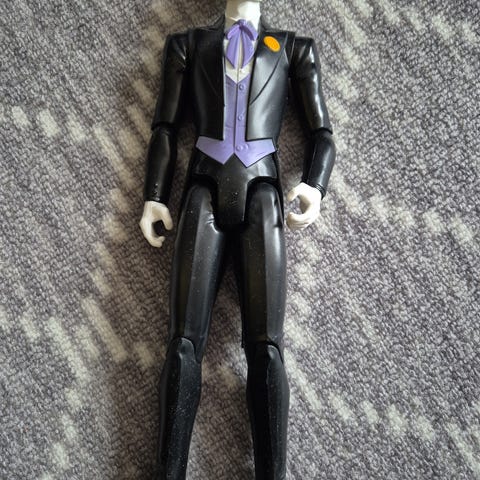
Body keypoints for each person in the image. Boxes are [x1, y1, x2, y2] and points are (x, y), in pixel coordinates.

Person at [139, 1, 335, 478]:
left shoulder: (293, 49)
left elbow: (322, 133)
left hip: (263, 195)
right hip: (202, 190)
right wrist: (154, 196)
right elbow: (165, 127)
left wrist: (315, 185)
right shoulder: (187, 45)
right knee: (182, 343)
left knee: (267, 346)